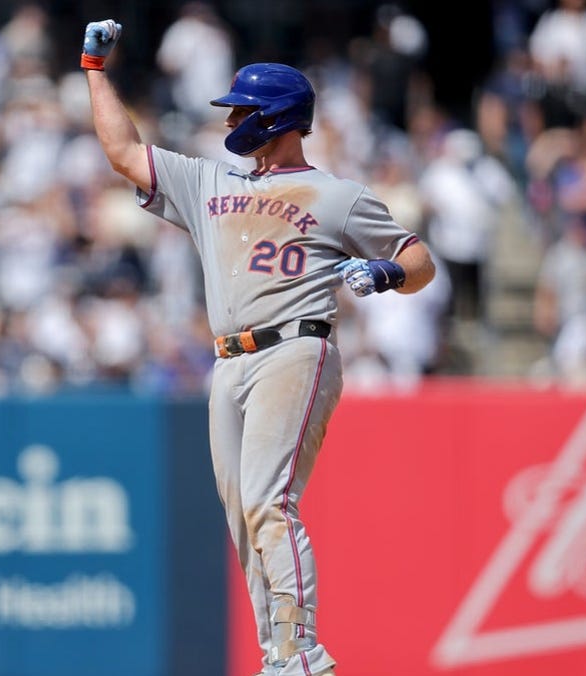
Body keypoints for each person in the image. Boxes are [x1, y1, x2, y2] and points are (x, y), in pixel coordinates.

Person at [81, 19, 436, 676]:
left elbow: (420, 261)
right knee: (243, 516)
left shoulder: (337, 196)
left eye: (243, 110)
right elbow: (124, 152)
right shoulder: (210, 183)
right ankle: (279, 656)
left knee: (269, 501)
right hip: (229, 361)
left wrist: (386, 272)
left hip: (294, 348)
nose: (232, 120)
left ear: (276, 117)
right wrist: (95, 73)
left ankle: (301, 650)